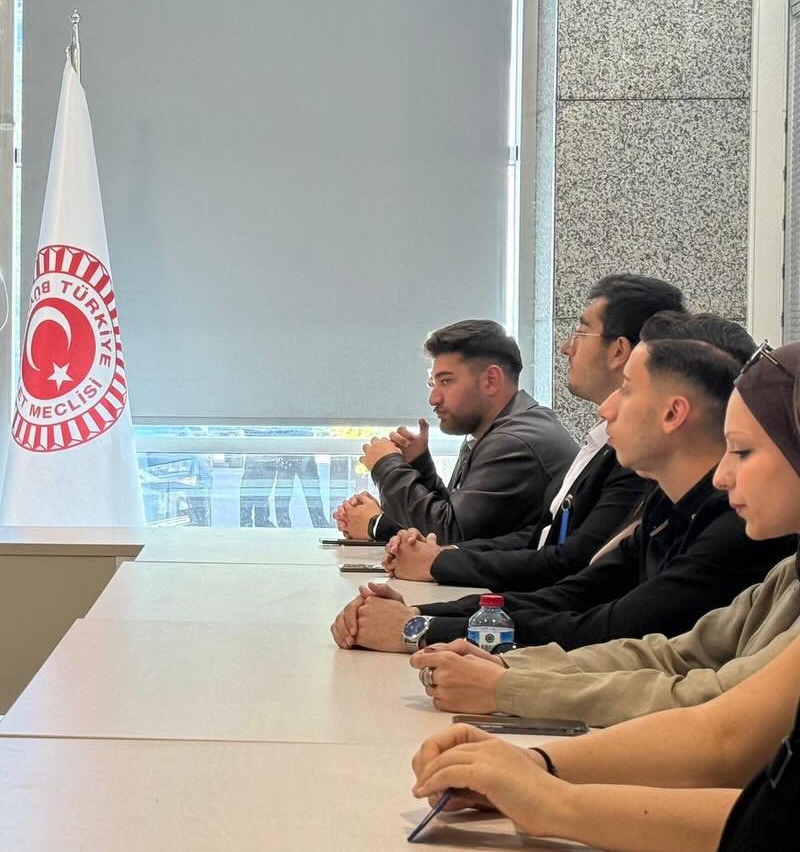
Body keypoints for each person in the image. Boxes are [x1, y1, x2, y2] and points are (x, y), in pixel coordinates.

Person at [407, 342, 800, 852]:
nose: (723, 474)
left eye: (742, 451)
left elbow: (724, 734)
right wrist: (533, 759)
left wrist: (548, 790)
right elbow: (674, 654)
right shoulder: (784, 568)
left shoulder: (734, 534)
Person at [333, 320, 792, 656]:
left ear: (674, 412)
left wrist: (419, 627)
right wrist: (424, 615)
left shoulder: (736, 527)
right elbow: (573, 592)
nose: (605, 409)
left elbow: (609, 625)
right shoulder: (667, 505)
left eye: (743, 450)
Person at [383, 275, 681, 589]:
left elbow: (569, 565)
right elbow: (541, 537)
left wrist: (388, 471)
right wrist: (444, 555)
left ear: (619, 351)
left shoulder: (519, 440)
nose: (566, 348)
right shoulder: (599, 441)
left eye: (580, 333)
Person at [332, 320, 576, 545]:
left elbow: (448, 536)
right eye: (433, 383)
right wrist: (419, 465)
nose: (433, 399)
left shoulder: (514, 441)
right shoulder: (501, 429)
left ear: (491, 380)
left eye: (446, 381)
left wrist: (387, 467)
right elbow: (460, 518)